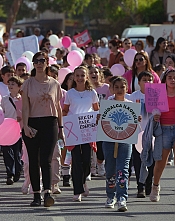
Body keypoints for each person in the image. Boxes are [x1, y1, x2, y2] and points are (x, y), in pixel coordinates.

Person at [22, 52, 65, 207]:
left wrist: (61, 128)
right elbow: (25, 107)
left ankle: (47, 192)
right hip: (33, 123)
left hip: (50, 123)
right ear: (33, 64)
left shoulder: (54, 83)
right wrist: (25, 126)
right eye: (36, 61)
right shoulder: (27, 83)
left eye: (42, 61)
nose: (39, 64)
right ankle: (35, 195)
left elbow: (58, 107)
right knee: (34, 160)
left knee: (46, 159)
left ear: (47, 63)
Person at [98, 77, 140, 212]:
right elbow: (101, 120)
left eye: (122, 87)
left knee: (123, 169)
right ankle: (111, 196)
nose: (120, 90)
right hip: (109, 140)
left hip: (125, 141)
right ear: (112, 89)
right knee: (110, 169)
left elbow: (134, 126)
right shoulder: (107, 103)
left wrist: (137, 119)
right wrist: (100, 117)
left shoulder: (130, 104)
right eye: (117, 87)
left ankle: (122, 198)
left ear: (126, 88)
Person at [63, 66, 99, 201]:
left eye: (82, 75)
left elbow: (97, 110)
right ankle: (77, 190)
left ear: (86, 77)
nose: (79, 78)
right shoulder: (70, 93)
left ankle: (83, 181)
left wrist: (96, 120)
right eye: (77, 76)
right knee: (76, 160)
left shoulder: (92, 93)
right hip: (74, 130)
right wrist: (64, 123)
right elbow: (65, 110)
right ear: (74, 77)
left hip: (88, 130)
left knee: (86, 160)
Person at [148, 68, 175, 202]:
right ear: (165, 79)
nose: (173, 80)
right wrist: (155, 115)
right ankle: (155, 186)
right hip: (163, 129)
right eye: (170, 77)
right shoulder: (159, 93)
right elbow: (152, 110)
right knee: (161, 162)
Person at [129, 71, 155, 198]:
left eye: (150, 80)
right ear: (138, 83)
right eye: (144, 80)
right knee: (138, 161)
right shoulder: (133, 96)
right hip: (136, 134)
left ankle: (149, 184)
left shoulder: (157, 95)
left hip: (153, 135)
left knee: (152, 161)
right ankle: (140, 187)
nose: (147, 82)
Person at [1, 76, 23, 185]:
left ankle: (18, 169)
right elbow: (2, 112)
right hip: (7, 128)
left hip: (18, 128)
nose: (10, 86)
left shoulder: (22, 99)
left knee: (17, 151)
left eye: (13, 84)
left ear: (19, 87)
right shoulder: (5, 99)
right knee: (6, 150)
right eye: (9, 84)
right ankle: (9, 173)